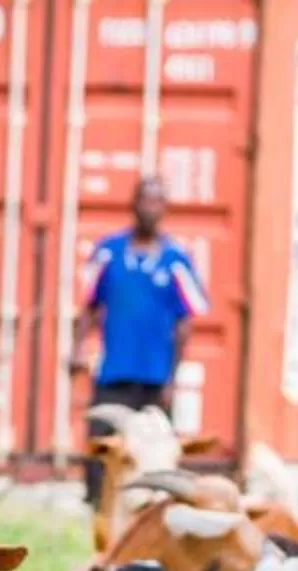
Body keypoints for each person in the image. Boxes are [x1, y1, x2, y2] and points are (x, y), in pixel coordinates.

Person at [77, 176, 208, 499]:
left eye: (158, 201)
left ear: (165, 208)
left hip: (154, 375)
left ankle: (153, 504)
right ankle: (97, 502)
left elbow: (184, 323)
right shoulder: (109, 253)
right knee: (103, 443)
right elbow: (90, 306)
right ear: (133, 204)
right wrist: (77, 348)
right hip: (115, 370)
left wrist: (171, 379)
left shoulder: (176, 260)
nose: (151, 208)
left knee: (156, 449)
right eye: (146, 200)